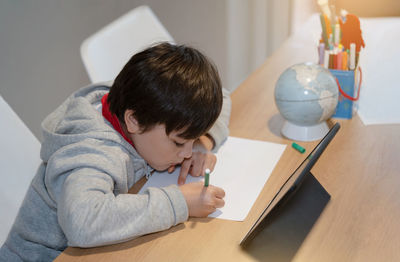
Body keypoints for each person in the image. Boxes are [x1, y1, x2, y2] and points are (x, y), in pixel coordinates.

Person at [0, 42, 231, 261]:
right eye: (179, 143)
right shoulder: (93, 152)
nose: (187, 154)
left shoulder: (141, 101)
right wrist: (179, 202)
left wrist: (202, 142)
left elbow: (222, 95)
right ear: (134, 121)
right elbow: (83, 221)